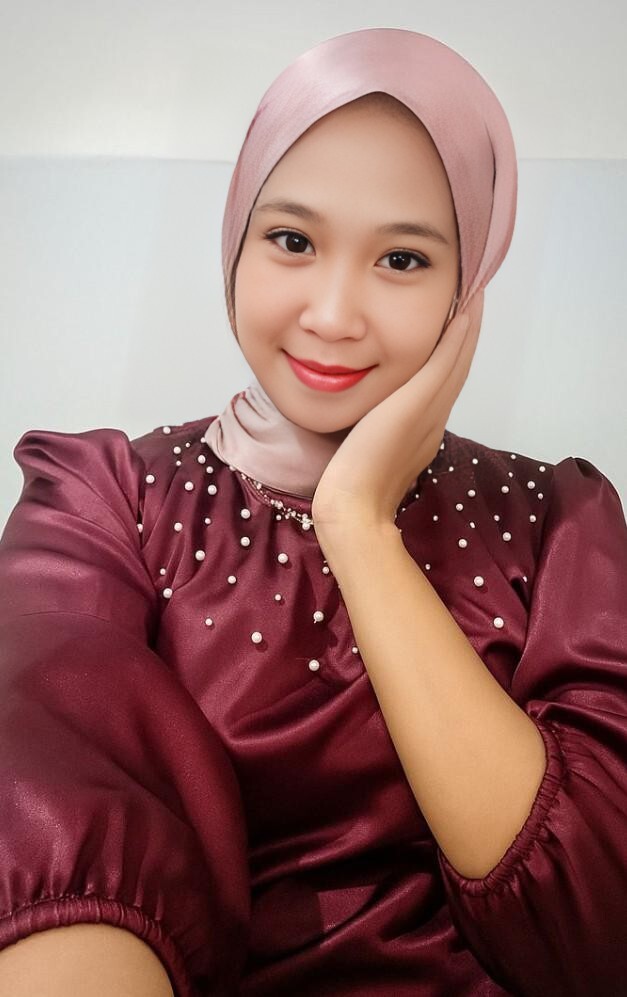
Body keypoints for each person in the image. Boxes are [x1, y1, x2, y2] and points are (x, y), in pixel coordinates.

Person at [0, 26, 625, 997]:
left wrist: (360, 525)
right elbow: (45, 812)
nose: (332, 315)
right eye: (291, 240)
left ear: (469, 287)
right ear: (236, 238)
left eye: (403, 259)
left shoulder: (560, 522)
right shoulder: (104, 496)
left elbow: (593, 929)